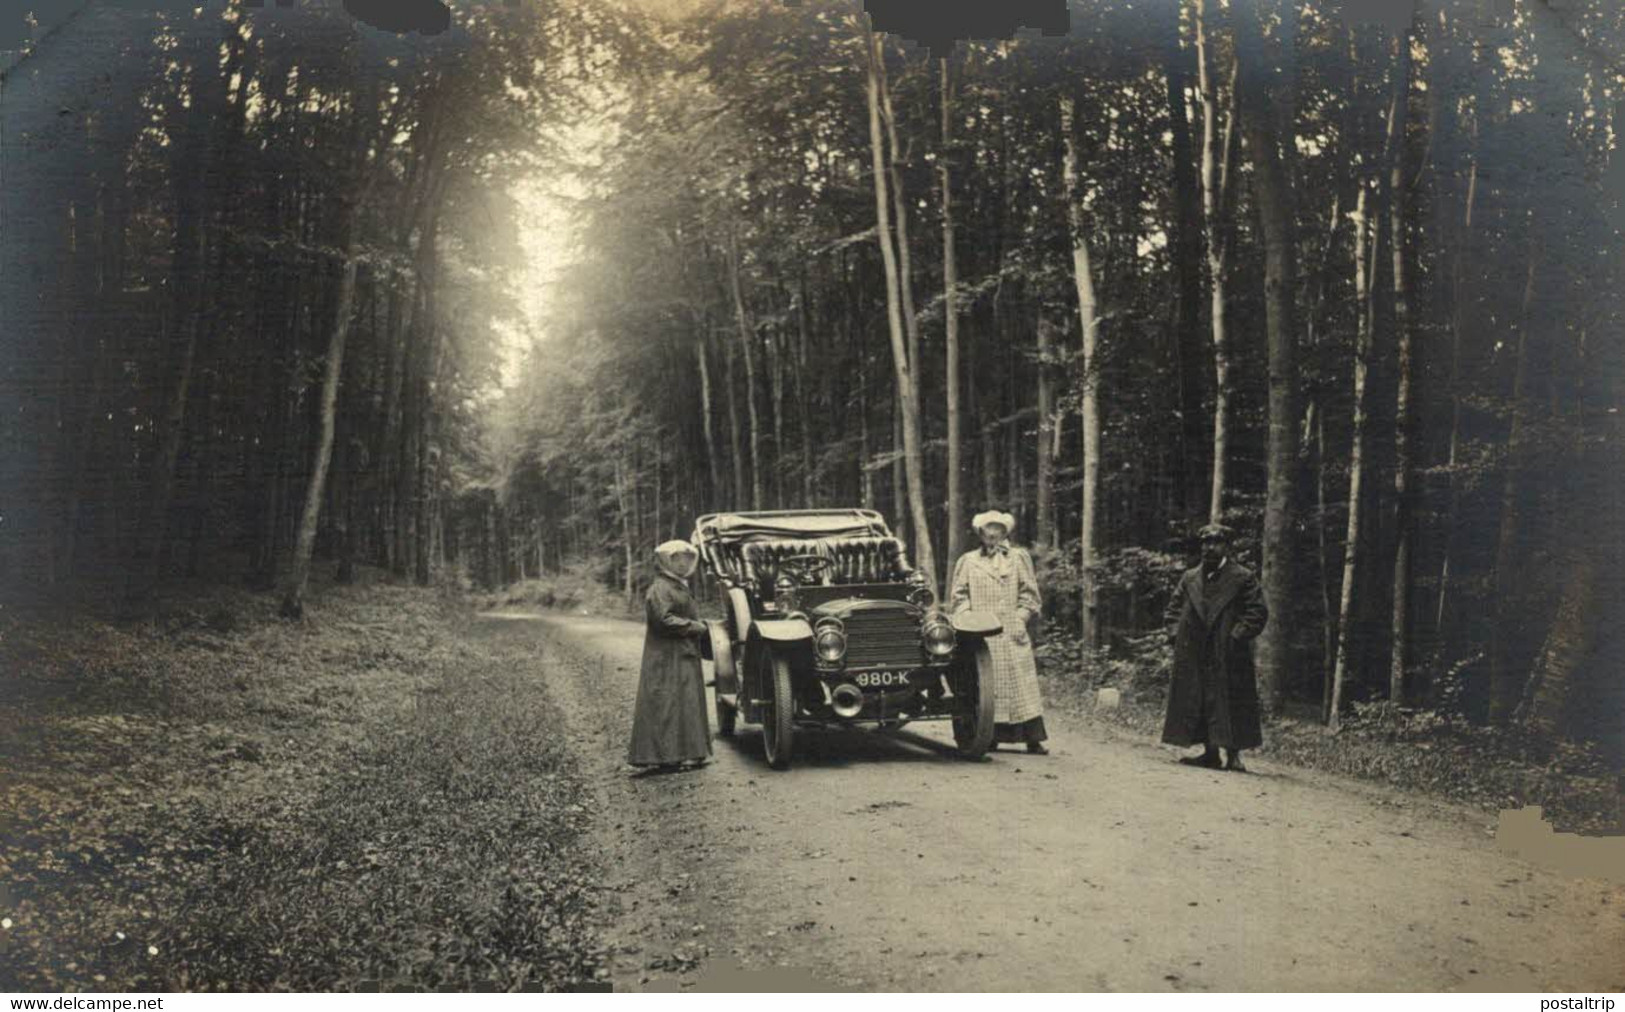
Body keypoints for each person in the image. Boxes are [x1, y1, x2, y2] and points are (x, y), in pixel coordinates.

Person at [1160, 522, 1269, 772]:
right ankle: (1209, 753)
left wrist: (1236, 636)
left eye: (1216, 542)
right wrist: (1176, 635)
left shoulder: (1242, 577)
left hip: (1227, 650)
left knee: (1232, 700)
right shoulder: (1190, 577)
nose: (1210, 548)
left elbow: (1257, 611)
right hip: (1195, 649)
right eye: (1206, 543)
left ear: (1227, 547)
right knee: (1199, 699)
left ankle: (1234, 756)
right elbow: (1174, 609)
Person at [948, 510, 1050, 755]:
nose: (993, 533)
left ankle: (1031, 738)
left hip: (1011, 631)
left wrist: (1020, 618)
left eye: (998, 529)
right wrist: (968, 619)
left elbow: (1030, 595)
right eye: (988, 529)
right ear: (981, 534)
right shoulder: (968, 561)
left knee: (1021, 685)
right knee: (984, 686)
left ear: (1005, 532)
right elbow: (959, 595)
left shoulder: (1018, 558)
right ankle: (987, 736)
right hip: (980, 634)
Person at [627, 540, 713, 772]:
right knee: (666, 703)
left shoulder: (677, 585)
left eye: (686, 558)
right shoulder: (660, 588)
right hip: (665, 656)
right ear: (666, 561)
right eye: (676, 559)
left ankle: (688, 754)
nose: (683, 563)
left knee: (685, 701)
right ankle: (664, 756)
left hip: (681, 652)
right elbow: (663, 619)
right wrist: (695, 627)